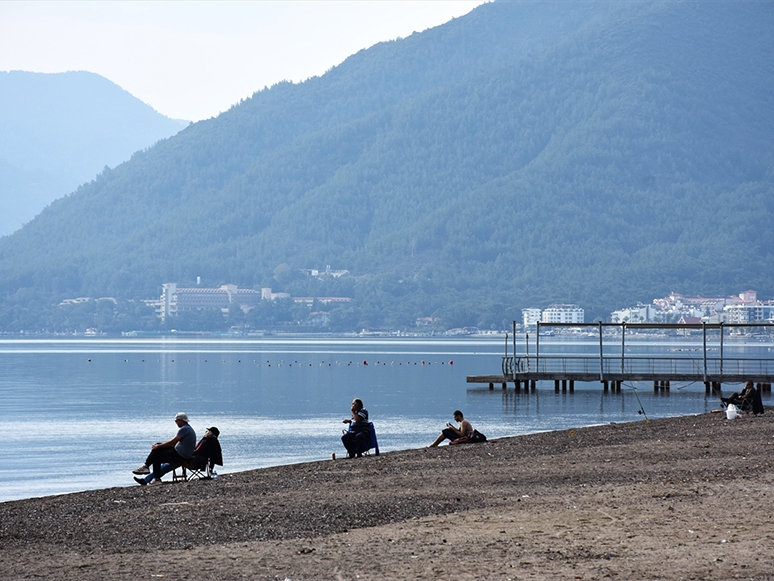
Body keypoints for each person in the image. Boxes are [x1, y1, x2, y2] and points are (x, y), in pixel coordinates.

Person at [133, 412, 196, 485]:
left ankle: (148, 469)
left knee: (156, 455)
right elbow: (173, 444)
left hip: (180, 455)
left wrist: (158, 446)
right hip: (180, 453)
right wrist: (159, 445)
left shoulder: (184, 429)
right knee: (158, 449)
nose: (175, 422)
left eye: (176, 421)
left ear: (181, 420)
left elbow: (172, 442)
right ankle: (149, 477)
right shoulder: (188, 428)